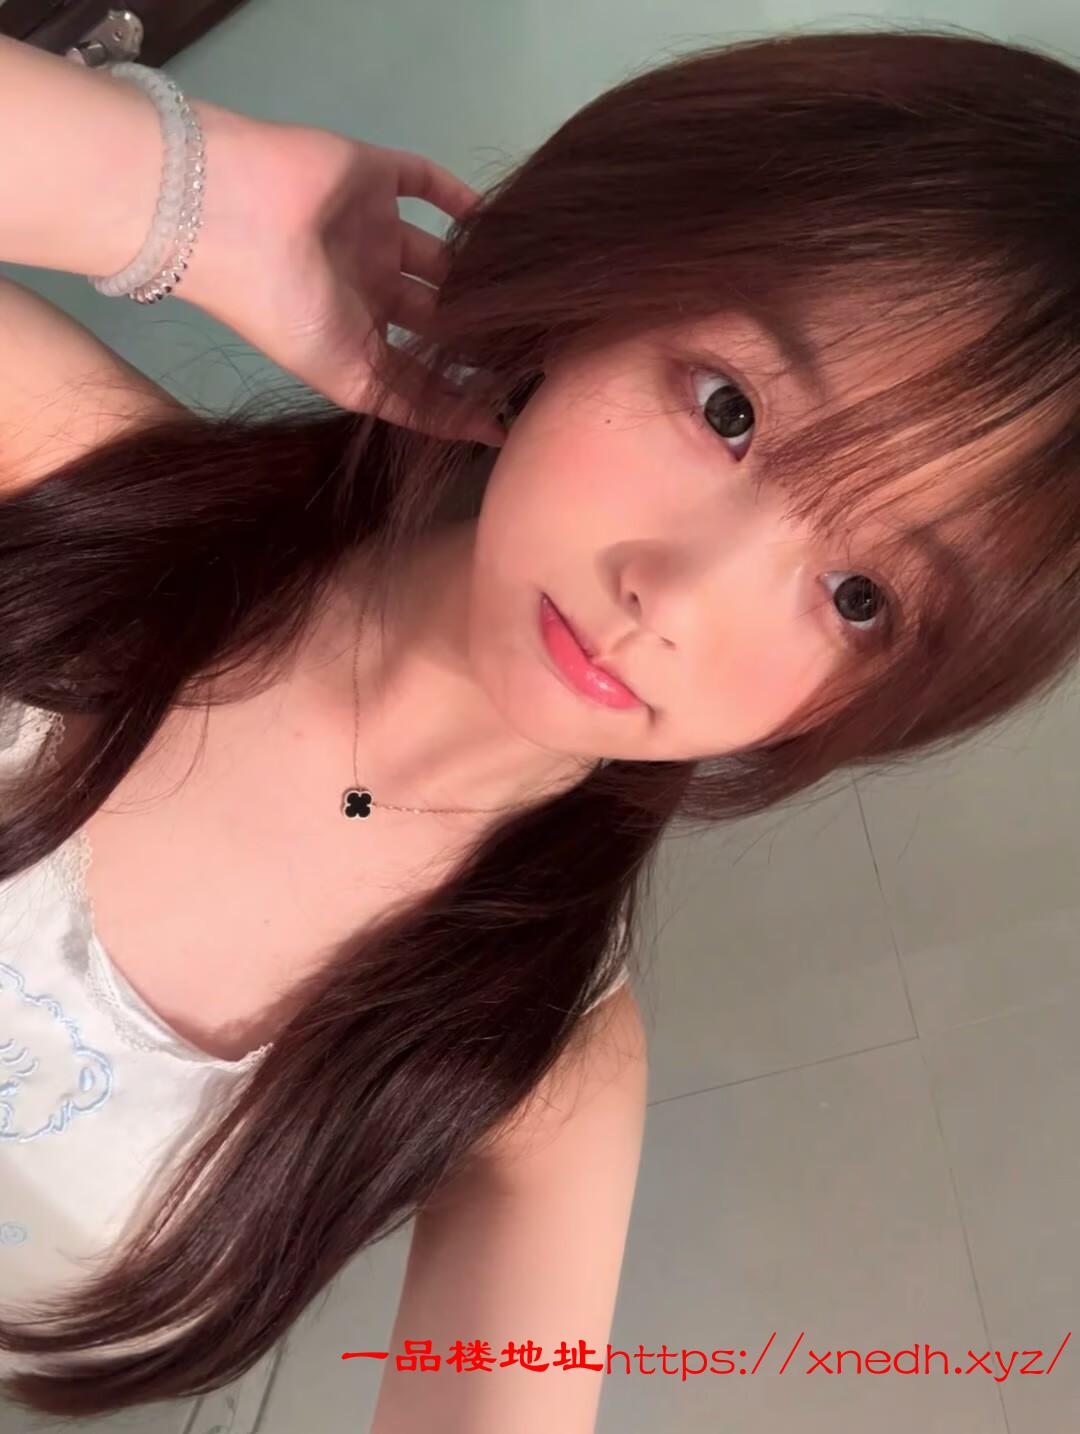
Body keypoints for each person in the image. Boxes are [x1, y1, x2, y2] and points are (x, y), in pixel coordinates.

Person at [0, 21, 1079, 1430]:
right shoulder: (63, 486)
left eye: (859, 595)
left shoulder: (537, 1076)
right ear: (597, 296)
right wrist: (194, 198)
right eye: (731, 410)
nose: (676, 598)